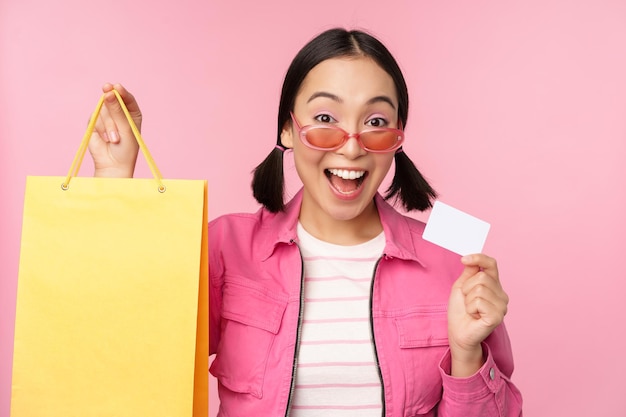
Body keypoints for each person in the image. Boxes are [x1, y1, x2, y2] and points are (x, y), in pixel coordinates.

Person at [90, 28, 522, 416]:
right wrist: (115, 181)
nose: (351, 148)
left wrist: (467, 354)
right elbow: (134, 354)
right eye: (325, 119)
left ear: (397, 136)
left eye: (375, 122)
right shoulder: (227, 244)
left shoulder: (453, 257)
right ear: (286, 130)